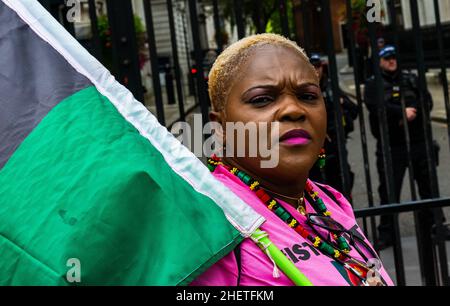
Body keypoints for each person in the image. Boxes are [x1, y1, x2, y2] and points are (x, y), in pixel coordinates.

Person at [191, 34, 393, 286]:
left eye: (307, 96)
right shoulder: (211, 223)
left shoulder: (329, 200)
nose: (294, 109)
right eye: (262, 99)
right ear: (220, 127)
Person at [364, 45, 436, 250]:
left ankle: (435, 225)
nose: (391, 60)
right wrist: (400, 113)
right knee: (389, 191)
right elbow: (376, 107)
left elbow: (427, 101)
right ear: (379, 62)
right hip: (391, 146)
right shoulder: (373, 84)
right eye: (387, 58)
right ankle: (387, 234)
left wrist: (413, 113)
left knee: (427, 187)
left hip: (418, 142)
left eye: (394, 56)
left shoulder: (411, 78)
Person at [308, 54, 358, 197]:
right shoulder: (301, 91)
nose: (315, 71)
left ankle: (343, 212)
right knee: (316, 182)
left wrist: (342, 103)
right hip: (314, 145)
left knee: (342, 179)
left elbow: (354, 110)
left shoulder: (331, 88)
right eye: (311, 67)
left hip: (335, 144)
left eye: (317, 66)